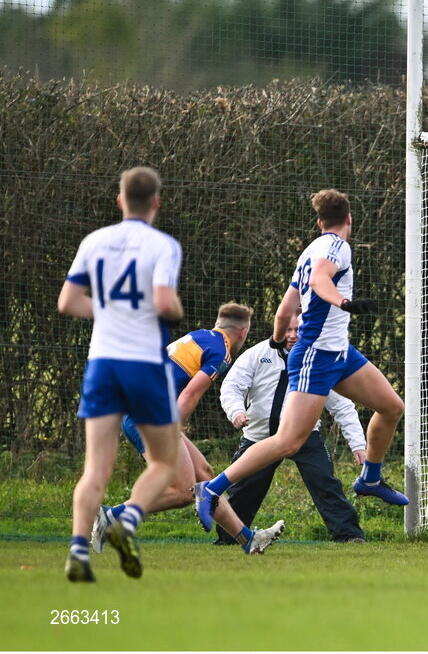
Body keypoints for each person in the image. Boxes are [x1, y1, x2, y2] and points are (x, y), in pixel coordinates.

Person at [195, 189, 407, 531]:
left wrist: (279, 339)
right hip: (317, 357)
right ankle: (211, 490)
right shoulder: (336, 247)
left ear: (319, 222)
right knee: (288, 442)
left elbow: (283, 311)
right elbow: (322, 279)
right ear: (348, 219)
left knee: (391, 406)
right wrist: (343, 303)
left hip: (340, 353)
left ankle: (370, 478)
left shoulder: (308, 251)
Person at [59, 166, 184, 581]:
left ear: (119, 201)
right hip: (145, 364)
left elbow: (68, 301)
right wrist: (175, 309)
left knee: (96, 468)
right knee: (165, 462)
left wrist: (109, 312)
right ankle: (126, 521)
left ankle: (78, 551)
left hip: (103, 363)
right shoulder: (163, 245)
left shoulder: (95, 241)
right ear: (156, 203)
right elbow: (165, 304)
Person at [93, 303, 285, 556]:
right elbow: (190, 394)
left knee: (204, 478)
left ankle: (249, 540)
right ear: (243, 333)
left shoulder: (200, 336)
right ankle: (110, 516)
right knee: (183, 493)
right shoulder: (221, 352)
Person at [215, 311, 367, 544]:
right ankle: (229, 539)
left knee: (326, 484)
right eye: (288, 329)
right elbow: (232, 387)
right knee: (244, 489)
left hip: (304, 436)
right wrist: (236, 412)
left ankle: (350, 537)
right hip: (260, 438)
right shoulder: (256, 354)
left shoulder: (317, 361)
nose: (293, 335)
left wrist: (358, 443)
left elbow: (342, 405)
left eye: (299, 330)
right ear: (278, 328)